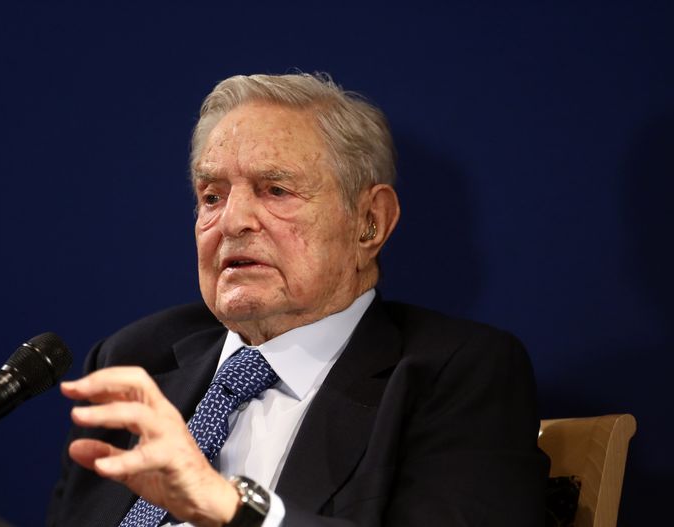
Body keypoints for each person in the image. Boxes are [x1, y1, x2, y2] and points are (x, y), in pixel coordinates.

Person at [47, 73, 548, 527]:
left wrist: (233, 509)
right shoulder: (135, 360)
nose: (233, 222)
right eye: (212, 196)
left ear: (370, 222)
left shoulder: (452, 375)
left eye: (276, 190)